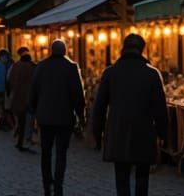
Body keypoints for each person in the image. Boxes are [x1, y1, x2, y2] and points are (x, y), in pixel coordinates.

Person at [91, 34, 168, 196]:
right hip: (144, 132)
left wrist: (97, 134)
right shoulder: (152, 74)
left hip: (118, 131)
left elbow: (99, 107)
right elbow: (160, 109)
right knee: (142, 178)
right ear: (142, 50)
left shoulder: (110, 73)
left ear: (123, 48)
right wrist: (163, 134)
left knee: (121, 176)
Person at [29, 39, 86, 196]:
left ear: (51, 50)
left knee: (46, 152)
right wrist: (81, 116)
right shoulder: (71, 67)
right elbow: (78, 95)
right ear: (65, 51)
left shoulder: (41, 67)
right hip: (64, 118)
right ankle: (58, 184)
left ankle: (47, 184)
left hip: (45, 118)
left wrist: (34, 112)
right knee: (61, 153)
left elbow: (33, 92)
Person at [7, 47, 36, 152]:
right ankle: (26, 140)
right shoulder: (33, 67)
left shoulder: (16, 66)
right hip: (30, 99)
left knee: (21, 121)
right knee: (29, 121)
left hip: (17, 98)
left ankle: (20, 141)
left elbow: (10, 80)